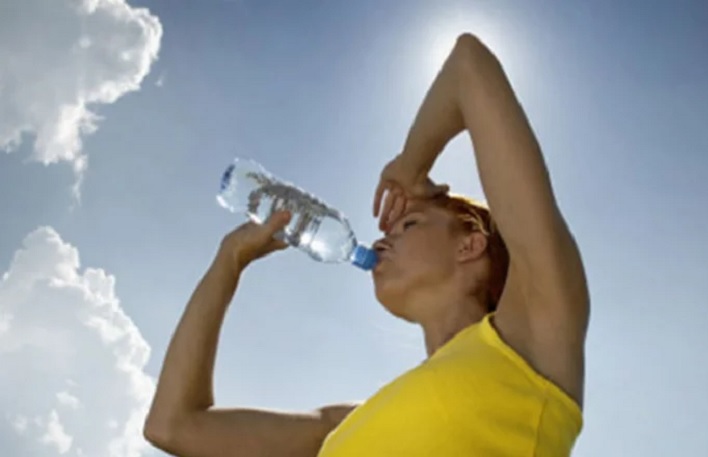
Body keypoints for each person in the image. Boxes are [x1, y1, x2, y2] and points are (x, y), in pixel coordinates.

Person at [144, 33, 590, 457]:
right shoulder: (345, 423)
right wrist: (230, 259)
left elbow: (468, 65)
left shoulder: (533, 335)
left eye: (409, 223)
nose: (382, 235)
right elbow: (173, 425)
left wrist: (412, 167)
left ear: (471, 246)